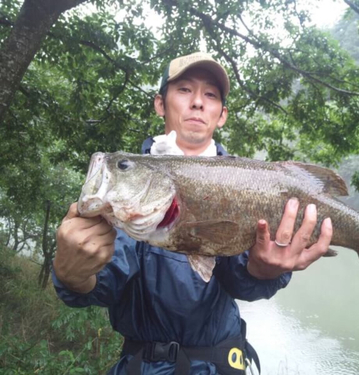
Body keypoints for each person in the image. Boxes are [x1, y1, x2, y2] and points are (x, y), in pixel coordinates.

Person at [52, 52, 333, 375]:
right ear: (160, 104)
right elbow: (103, 284)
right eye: (184, 89)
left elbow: (242, 284)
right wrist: (72, 274)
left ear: (222, 114)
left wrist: (264, 271)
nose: (198, 102)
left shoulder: (248, 182)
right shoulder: (130, 190)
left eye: (210, 95)